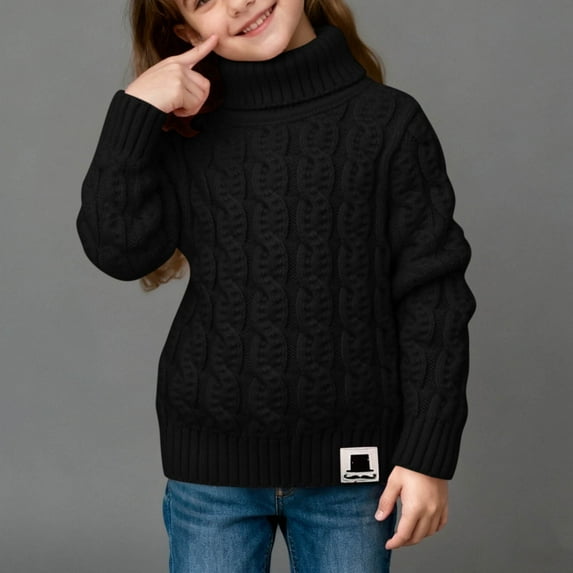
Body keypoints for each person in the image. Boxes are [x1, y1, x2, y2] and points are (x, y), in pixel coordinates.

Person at [76, 0, 477, 571]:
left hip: (351, 470)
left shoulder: (389, 121)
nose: (239, 3)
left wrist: (427, 455)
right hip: (210, 469)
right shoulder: (182, 130)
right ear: (185, 31)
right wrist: (134, 112)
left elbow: (433, 297)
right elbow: (118, 252)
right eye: (204, 0)